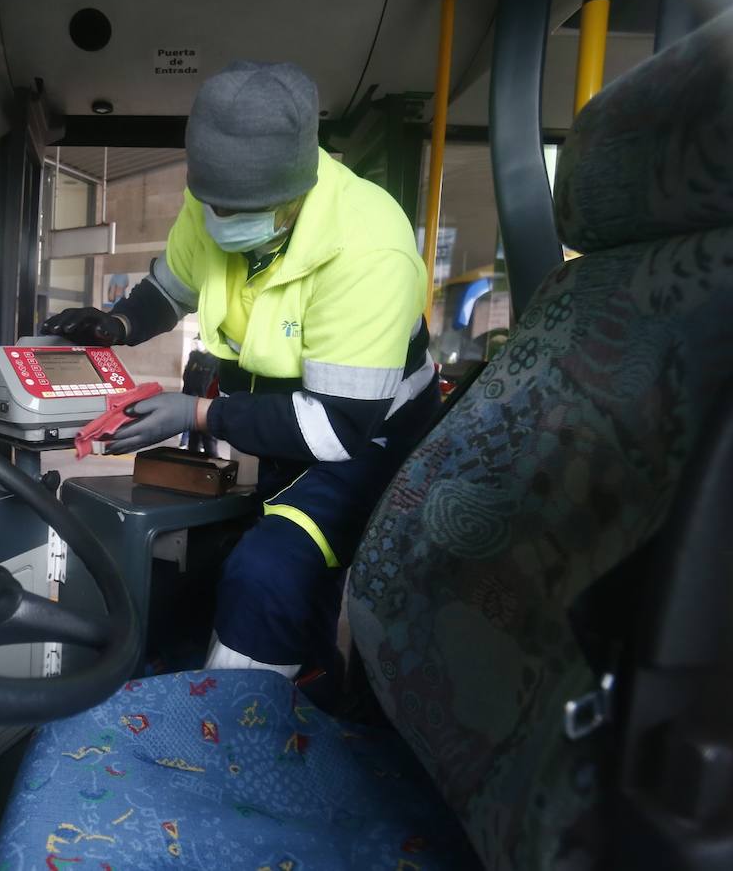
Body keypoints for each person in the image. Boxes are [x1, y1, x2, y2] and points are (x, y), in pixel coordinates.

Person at [43, 61, 438, 678]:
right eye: (213, 203)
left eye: (241, 208)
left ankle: (235, 736)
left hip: (369, 436)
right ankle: (309, 686)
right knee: (232, 560)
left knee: (272, 571)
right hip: (279, 420)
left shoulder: (369, 249)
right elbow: (169, 289)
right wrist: (116, 325)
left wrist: (197, 411)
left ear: (295, 193)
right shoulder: (208, 208)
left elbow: (334, 430)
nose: (221, 220)